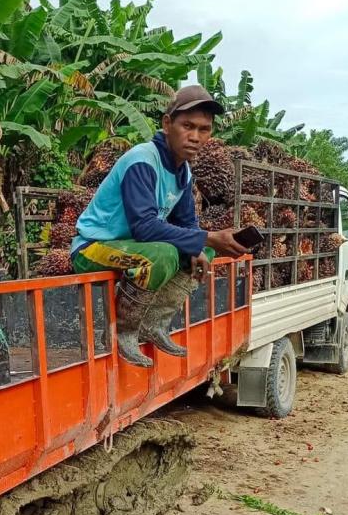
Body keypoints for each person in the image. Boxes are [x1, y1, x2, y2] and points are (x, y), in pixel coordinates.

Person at [70, 85, 248, 368]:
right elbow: (144, 228)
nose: (195, 137)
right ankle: (125, 332)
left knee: (204, 254)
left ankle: (154, 324)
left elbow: (186, 222)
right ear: (167, 124)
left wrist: (201, 245)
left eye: (204, 129)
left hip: (134, 249)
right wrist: (208, 236)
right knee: (165, 254)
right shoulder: (142, 161)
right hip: (92, 248)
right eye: (187, 126)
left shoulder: (183, 171)